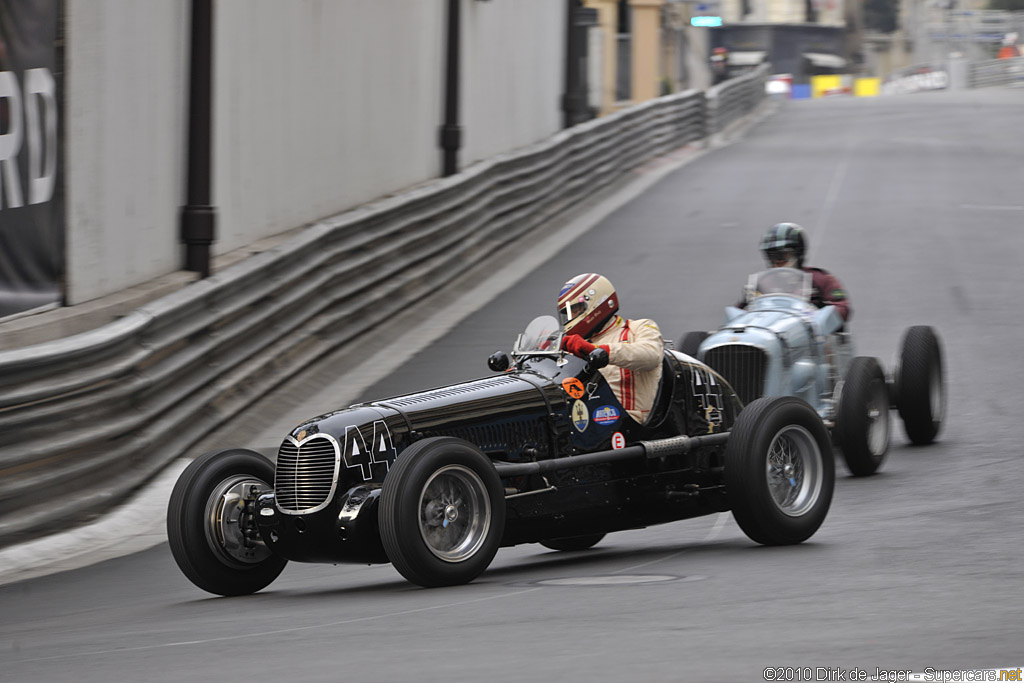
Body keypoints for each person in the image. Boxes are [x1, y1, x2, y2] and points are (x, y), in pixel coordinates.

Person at [557, 273, 664, 423]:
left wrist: (598, 351)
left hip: (628, 424)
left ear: (596, 302)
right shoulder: (575, 345)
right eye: (568, 313)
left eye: (576, 309)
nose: (571, 316)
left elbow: (651, 355)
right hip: (586, 421)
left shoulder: (639, 328)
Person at [753, 222, 851, 321]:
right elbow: (741, 312)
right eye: (771, 256)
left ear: (798, 253)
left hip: (810, 333)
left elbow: (842, 307)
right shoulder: (762, 283)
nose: (777, 261)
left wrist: (818, 319)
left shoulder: (821, 279)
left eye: (783, 255)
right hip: (771, 331)